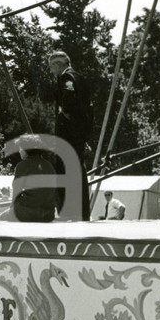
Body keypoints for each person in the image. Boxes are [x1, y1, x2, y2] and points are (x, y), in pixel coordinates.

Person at [47, 50, 91, 221]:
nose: (51, 71)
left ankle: (70, 212)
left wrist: (65, 114)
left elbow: (69, 102)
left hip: (68, 134)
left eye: (52, 67)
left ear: (58, 65)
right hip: (79, 133)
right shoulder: (81, 78)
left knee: (66, 170)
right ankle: (81, 212)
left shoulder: (67, 79)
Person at [11, 137, 58, 223]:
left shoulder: (22, 165)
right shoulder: (49, 165)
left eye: (20, 148)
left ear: (26, 150)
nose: (19, 151)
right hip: (48, 214)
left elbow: (16, 191)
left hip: (28, 213)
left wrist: (12, 209)